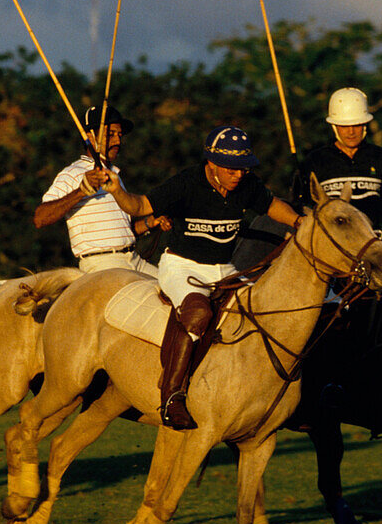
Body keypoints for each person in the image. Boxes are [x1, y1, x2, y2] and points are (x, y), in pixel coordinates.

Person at [99, 126, 301, 430]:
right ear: (211, 163)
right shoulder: (187, 182)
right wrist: (116, 190)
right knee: (197, 314)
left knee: (260, 310)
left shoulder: (246, 184)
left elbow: (273, 207)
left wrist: (302, 222)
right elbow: (139, 206)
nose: (238, 175)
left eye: (243, 169)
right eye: (231, 169)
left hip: (224, 268)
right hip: (183, 267)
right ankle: (171, 397)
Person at [34, 105, 167, 275]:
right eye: (110, 135)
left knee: (173, 292)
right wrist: (81, 190)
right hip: (101, 264)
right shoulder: (72, 173)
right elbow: (40, 218)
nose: (118, 141)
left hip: (133, 259)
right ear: (89, 137)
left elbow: (121, 232)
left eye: (119, 135)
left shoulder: (115, 175)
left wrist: (150, 223)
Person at [292, 87, 382, 229]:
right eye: (344, 126)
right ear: (334, 126)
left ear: (365, 124)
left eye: (356, 125)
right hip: (330, 246)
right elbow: (299, 204)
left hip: (373, 243)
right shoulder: (316, 160)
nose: (351, 132)